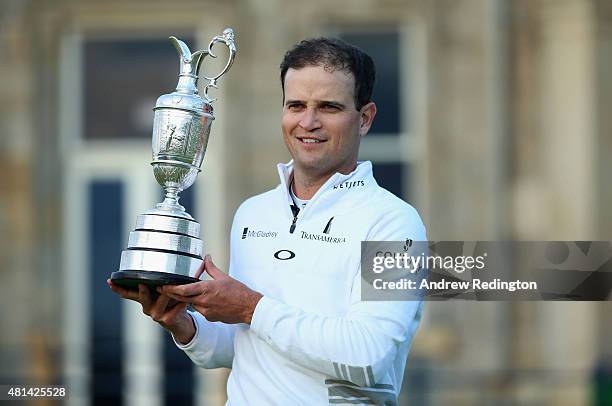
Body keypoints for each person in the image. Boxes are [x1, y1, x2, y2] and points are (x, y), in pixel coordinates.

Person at [108, 37, 426, 405]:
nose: (308, 122)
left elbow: (369, 356)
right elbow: (243, 346)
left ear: (365, 118)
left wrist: (250, 306)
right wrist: (184, 324)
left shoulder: (396, 223)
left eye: (328, 107)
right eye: (296, 105)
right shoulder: (253, 212)